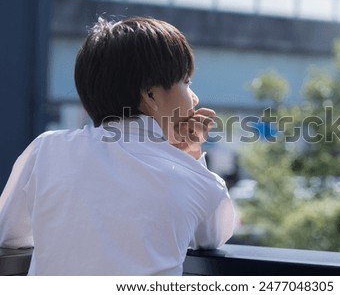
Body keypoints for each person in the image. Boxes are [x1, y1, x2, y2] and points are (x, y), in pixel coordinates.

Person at [0, 17, 235, 275]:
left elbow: (9, 235)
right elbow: (212, 236)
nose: (195, 97)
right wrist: (191, 157)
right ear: (151, 95)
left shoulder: (46, 150)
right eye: (186, 82)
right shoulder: (195, 179)